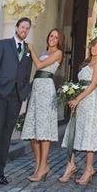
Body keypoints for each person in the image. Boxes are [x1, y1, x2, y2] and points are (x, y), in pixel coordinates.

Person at [0, 17, 33, 191]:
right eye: (22, 27)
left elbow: (27, 73)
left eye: (27, 28)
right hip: (1, 93)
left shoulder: (28, 50)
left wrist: (24, 91)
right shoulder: (3, 45)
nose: (24, 30)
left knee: (6, 136)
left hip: (16, 96)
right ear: (16, 28)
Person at [59, 36, 97, 186]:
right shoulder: (86, 62)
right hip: (80, 98)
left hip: (89, 100)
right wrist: (72, 94)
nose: (95, 49)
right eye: (94, 46)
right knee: (73, 130)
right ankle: (70, 165)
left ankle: (89, 169)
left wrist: (77, 99)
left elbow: (92, 85)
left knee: (88, 132)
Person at [20, 28, 64, 182]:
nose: (53, 39)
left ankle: (43, 165)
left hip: (46, 89)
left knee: (44, 130)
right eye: (51, 36)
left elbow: (39, 65)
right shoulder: (45, 51)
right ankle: (39, 165)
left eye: (56, 37)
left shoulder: (58, 53)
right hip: (37, 89)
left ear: (59, 41)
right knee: (34, 130)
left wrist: (31, 49)